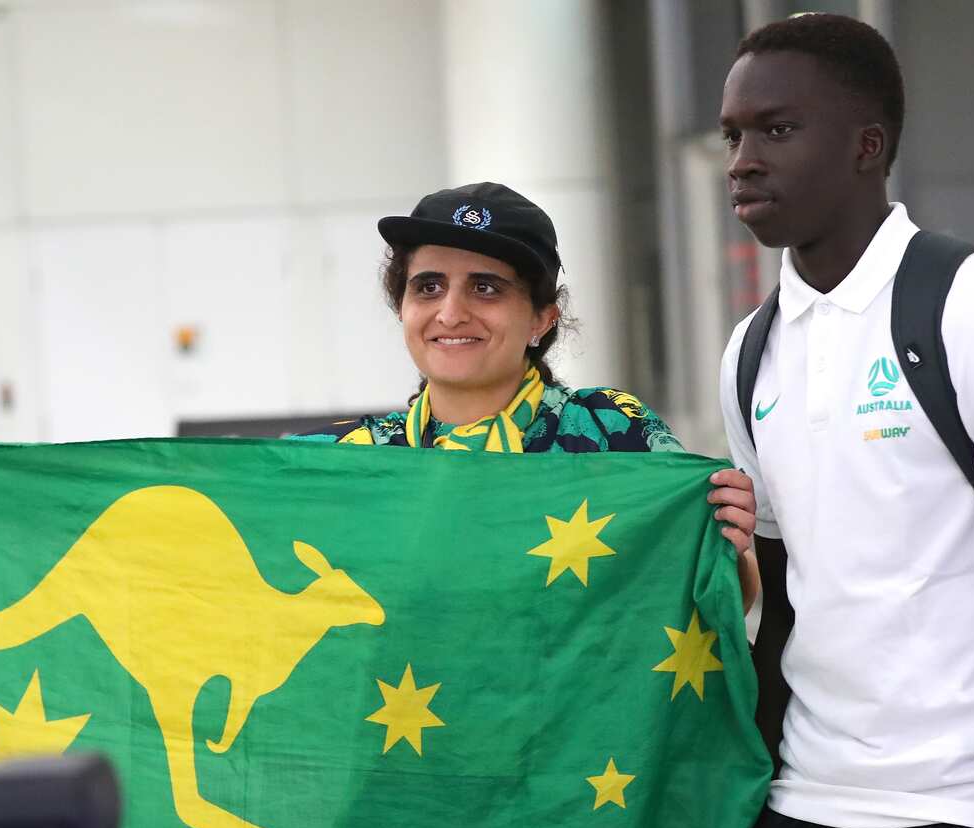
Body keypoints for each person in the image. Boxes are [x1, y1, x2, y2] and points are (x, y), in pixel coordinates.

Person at [718, 14, 974, 828]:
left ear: (867, 146)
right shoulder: (748, 353)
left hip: (966, 810)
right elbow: (787, 605)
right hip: (802, 805)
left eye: (777, 130)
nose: (742, 160)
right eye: (733, 134)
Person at [296, 182, 759, 610]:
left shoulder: (610, 429)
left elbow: (717, 607)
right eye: (428, 287)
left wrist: (725, 542)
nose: (451, 313)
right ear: (403, 307)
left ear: (542, 318)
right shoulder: (343, 460)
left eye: (485, 288)